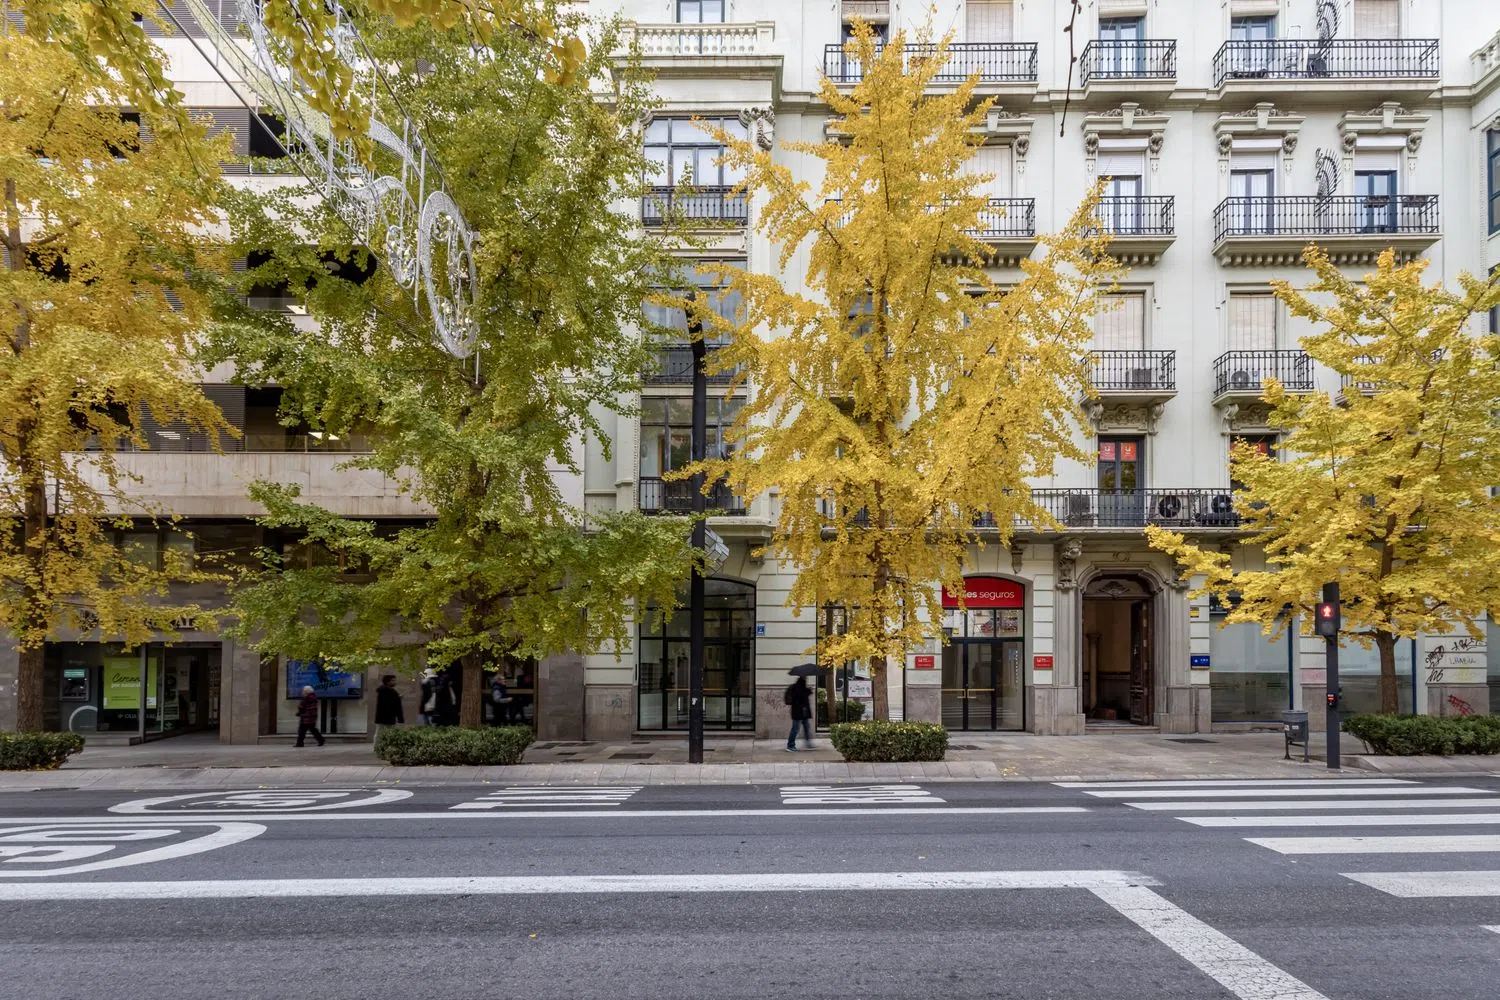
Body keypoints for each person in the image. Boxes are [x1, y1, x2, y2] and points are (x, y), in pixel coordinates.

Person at [784, 676, 813, 752]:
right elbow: (801, 698)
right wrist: (808, 691)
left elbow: (804, 695)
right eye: (805, 677)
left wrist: (808, 691)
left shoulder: (801, 686)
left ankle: (808, 743)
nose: (806, 678)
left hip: (801, 712)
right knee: (795, 729)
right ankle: (790, 745)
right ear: (802, 678)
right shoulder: (798, 687)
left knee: (806, 726)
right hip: (799, 712)